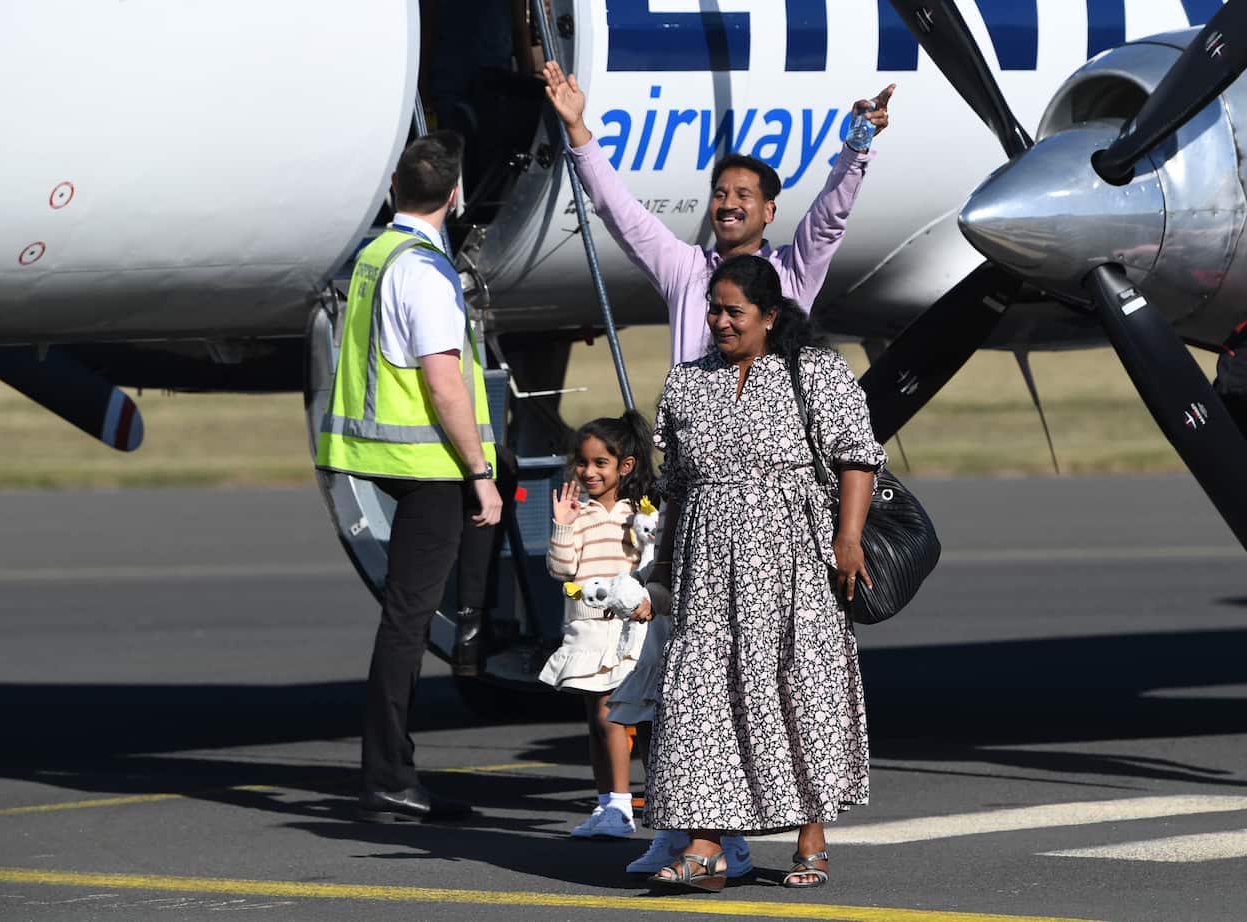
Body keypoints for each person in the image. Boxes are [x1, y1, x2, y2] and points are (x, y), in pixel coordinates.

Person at [638, 254, 885, 893]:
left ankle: (811, 837)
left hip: (792, 560)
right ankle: (705, 846)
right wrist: (662, 570)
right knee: (701, 698)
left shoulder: (817, 374)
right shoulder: (687, 383)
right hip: (707, 571)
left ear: (770, 317)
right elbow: (676, 488)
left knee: (796, 689)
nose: (719, 321)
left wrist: (848, 538)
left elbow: (857, 457)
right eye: (713, 310)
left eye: (733, 312)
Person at [315, 131, 503, 822]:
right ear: (454, 198)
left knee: (404, 615)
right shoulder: (425, 271)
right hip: (427, 462)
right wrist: (479, 473)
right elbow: (444, 382)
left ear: (396, 190)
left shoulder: (375, 254)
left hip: (377, 453)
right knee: (407, 621)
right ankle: (389, 774)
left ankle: (477, 643)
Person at [542, 60, 893, 365]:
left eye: (743, 195)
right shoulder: (684, 268)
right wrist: (577, 129)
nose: (728, 204)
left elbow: (828, 219)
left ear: (769, 210)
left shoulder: (790, 272)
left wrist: (856, 146)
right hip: (696, 441)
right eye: (720, 194)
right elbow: (619, 211)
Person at [540, 412, 656, 839]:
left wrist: (647, 530)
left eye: (599, 463)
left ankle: (624, 807)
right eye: (582, 463)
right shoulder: (580, 514)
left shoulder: (637, 513)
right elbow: (561, 569)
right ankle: (606, 802)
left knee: (613, 716)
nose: (588, 472)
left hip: (622, 631)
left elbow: (648, 566)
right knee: (596, 718)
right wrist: (562, 526)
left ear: (624, 466)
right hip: (585, 630)